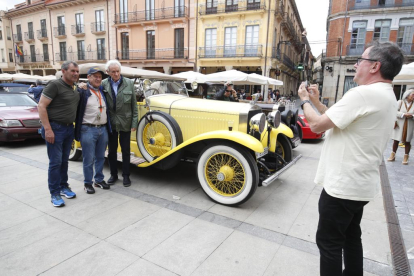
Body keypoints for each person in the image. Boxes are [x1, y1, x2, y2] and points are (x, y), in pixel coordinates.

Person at [298, 41, 404, 276]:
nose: (356, 65)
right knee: (350, 236)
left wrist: (304, 100)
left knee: (329, 244)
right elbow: (337, 118)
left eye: (361, 61)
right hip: (360, 185)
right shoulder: (388, 95)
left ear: (375, 66)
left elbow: (315, 125)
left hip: (342, 187)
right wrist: (316, 102)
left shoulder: (363, 94)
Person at [38, 61, 80, 207]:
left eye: (77, 71)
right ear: (63, 71)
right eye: (72, 71)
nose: (75, 73)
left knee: (64, 161)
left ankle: (63, 186)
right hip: (55, 128)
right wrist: (48, 129)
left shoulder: (74, 87)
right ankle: (54, 193)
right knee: (55, 163)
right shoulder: (54, 85)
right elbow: (41, 106)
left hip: (69, 129)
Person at [75, 67, 112, 194]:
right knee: (88, 158)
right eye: (95, 76)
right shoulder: (82, 90)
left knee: (100, 157)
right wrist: (78, 86)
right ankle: (87, 183)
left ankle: (99, 180)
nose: (97, 79)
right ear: (89, 77)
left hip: (103, 128)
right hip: (88, 129)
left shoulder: (102, 90)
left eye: (99, 77)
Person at [101, 60, 138, 187]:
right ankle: (113, 174)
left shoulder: (129, 83)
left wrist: (134, 122)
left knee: (126, 150)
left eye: (118, 71)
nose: (116, 74)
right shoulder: (103, 84)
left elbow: (134, 105)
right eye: (113, 72)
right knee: (111, 151)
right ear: (108, 72)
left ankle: (126, 175)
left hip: (125, 122)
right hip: (110, 122)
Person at [387, 89, 414, 164]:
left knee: (407, 141)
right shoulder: (400, 102)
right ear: (407, 95)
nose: (413, 97)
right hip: (399, 124)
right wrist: (404, 114)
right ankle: (392, 155)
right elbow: (393, 111)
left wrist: (412, 116)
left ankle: (406, 157)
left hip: (409, 124)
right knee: (396, 140)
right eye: (413, 95)